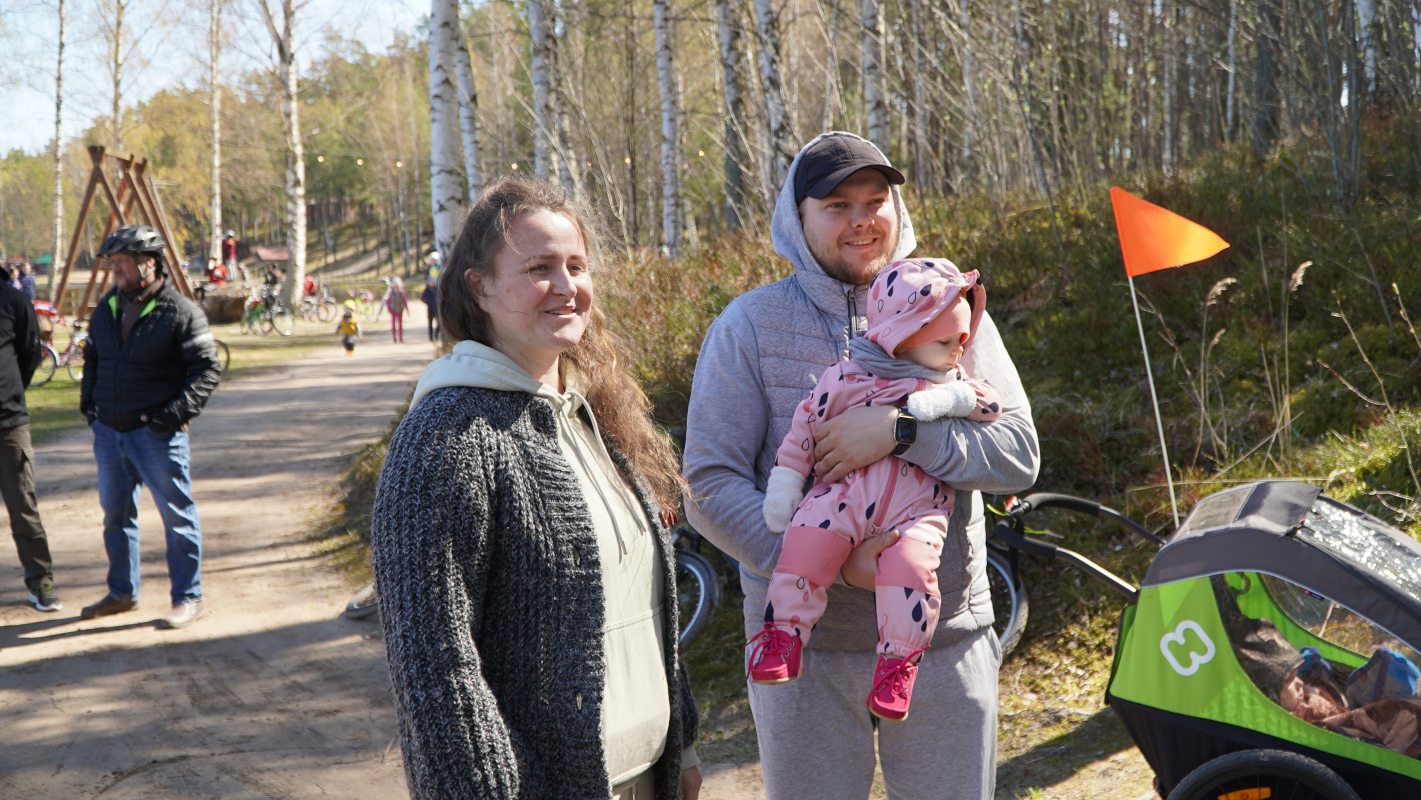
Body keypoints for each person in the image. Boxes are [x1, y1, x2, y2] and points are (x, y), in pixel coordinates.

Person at [683, 133, 1039, 800]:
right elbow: (706, 482)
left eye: (875, 201)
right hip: (803, 656)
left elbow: (1017, 454)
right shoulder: (748, 327)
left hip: (943, 643)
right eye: (837, 204)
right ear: (796, 218)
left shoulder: (951, 313)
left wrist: (901, 435)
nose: (860, 220)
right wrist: (829, 563)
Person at [371, 176, 701, 799]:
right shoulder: (446, 441)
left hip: (645, 779)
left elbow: (647, 605)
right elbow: (435, 667)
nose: (566, 286)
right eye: (539, 267)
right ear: (481, 286)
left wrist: (679, 743)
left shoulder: (593, 416)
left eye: (576, 265)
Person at [750, 259, 1003, 721]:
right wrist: (786, 483)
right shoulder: (846, 378)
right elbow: (806, 426)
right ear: (903, 333)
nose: (958, 348)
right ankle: (782, 636)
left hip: (918, 511)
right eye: (946, 339)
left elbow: (990, 405)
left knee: (912, 572)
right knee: (806, 541)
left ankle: (897, 663)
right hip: (842, 497)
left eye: (962, 340)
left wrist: (947, 399)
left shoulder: (950, 380)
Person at [78, 225, 223, 629]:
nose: (116, 269)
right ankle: (121, 592)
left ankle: (187, 598)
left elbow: (207, 371)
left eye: (123, 261)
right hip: (109, 432)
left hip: (156, 435)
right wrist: (90, 407)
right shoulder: (107, 307)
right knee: (115, 516)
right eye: (113, 262)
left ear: (149, 263)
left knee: (177, 517)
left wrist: (172, 415)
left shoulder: (180, 311)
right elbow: (93, 360)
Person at [0, 271, 59, 611]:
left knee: (23, 507)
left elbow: (30, 354)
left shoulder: (14, 300)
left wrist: (10, 391)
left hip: (8, 424)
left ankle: (40, 581)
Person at [384, 276, 408, 343]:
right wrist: (388, 308)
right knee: (393, 325)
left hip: (400, 310)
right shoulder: (391, 293)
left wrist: (407, 309)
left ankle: (400, 337)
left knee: (400, 325)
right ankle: (394, 338)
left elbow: (405, 301)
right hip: (393, 311)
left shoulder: (402, 292)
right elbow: (387, 301)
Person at [421, 277, 439, 342]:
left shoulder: (437, 289)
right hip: (430, 308)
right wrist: (427, 302)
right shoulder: (427, 289)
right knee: (430, 323)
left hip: (437, 308)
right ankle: (430, 337)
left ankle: (436, 335)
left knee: (439, 322)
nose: (432, 283)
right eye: (430, 281)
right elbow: (422, 298)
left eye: (433, 281)